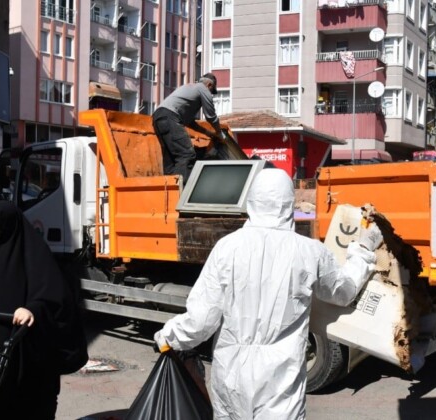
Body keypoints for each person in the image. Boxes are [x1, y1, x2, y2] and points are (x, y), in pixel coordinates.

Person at [154, 168, 382, 419]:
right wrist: (362, 249)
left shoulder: (227, 248)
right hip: (281, 376)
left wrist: (169, 336)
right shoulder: (309, 251)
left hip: (231, 371)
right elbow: (343, 292)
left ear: (250, 202)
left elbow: (201, 321)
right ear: (289, 205)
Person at [0, 201, 87, 419]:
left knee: (24, 405)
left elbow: (55, 296)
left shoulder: (33, 252)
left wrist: (33, 310)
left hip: (23, 350)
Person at [152, 72, 223, 181]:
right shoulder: (202, 89)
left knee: (171, 158)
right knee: (186, 154)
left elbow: (190, 123)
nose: (211, 94)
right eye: (211, 91)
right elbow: (210, 116)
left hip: (158, 117)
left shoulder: (190, 89)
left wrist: (208, 133)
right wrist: (219, 132)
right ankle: (182, 192)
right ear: (209, 85)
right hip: (170, 117)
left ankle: (170, 192)